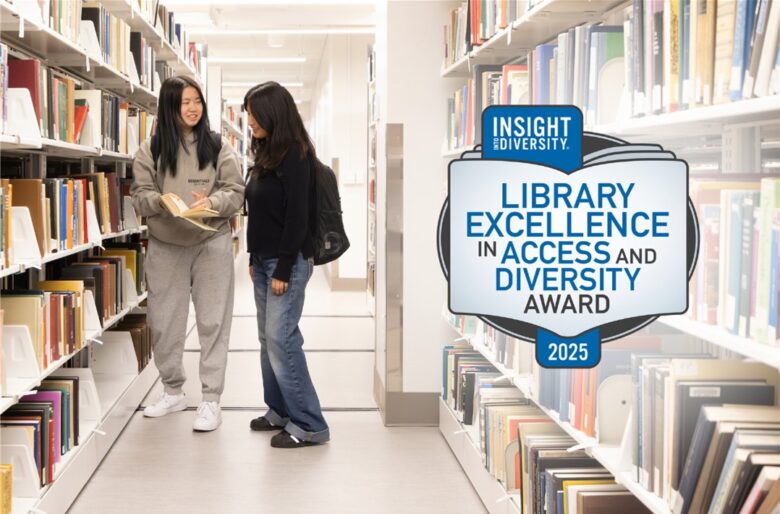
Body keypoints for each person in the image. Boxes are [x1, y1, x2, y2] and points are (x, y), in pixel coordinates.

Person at [131, 76, 244, 432]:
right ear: (169, 107)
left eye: (197, 101)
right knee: (165, 322)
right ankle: (173, 390)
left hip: (212, 242)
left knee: (213, 321)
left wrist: (212, 202)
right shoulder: (150, 150)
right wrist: (160, 202)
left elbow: (235, 191)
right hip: (166, 244)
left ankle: (211, 400)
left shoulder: (216, 144)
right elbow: (140, 194)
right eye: (184, 102)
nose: (193, 108)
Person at [243, 81, 330, 448]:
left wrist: (280, 268)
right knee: (268, 339)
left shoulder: (294, 154)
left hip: (287, 263)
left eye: (253, 113)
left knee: (282, 339)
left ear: (272, 114)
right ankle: (279, 409)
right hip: (264, 261)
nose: (248, 121)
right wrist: (252, 256)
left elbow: (297, 217)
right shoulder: (265, 151)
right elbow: (259, 212)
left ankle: (310, 424)